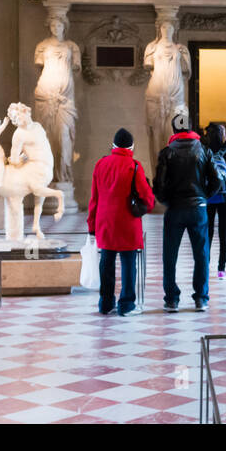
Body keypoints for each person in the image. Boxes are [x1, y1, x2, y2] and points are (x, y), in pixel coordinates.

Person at [154, 112, 222, 311]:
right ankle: (201, 298)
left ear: (174, 130)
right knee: (201, 254)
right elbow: (217, 180)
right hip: (197, 208)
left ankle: (172, 299)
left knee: (170, 255)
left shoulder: (167, 152)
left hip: (175, 209)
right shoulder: (204, 150)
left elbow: (159, 183)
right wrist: (204, 197)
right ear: (191, 128)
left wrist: (166, 200)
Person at [88, 129, 154, 316]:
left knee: (106, 263)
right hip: (127, 223)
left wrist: (91, 224)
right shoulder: (134, 166)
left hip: (105, 221)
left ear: (114, 145)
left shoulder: (100, 164)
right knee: (128, 264)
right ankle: (126, 304)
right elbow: (146, 196)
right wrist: (148, 206)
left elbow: (94, 198)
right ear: (132, 146)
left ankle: (106, 303)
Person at [204, 122, 226, 279]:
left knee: (208, 232)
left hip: (209, 195)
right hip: (225, 196)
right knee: (224, 232)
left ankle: (206, 263)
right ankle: (221, 268)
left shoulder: (204, 150)